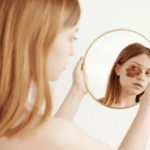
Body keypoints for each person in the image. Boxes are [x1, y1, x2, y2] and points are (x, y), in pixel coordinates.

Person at [0, 0, 150, 150]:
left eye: (148, 73)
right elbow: (53, 137)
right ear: (39, 39)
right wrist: (147, 107)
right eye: (72, 38)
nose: (72, 51)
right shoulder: (49, 133)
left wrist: (77, 90)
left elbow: (46, 142)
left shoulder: (16, 123)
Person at [99, 43, 150, 109]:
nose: (142, 77)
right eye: (134, 68)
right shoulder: (92, 105)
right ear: (118, 69)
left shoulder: (146, 111)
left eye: (148, 73)